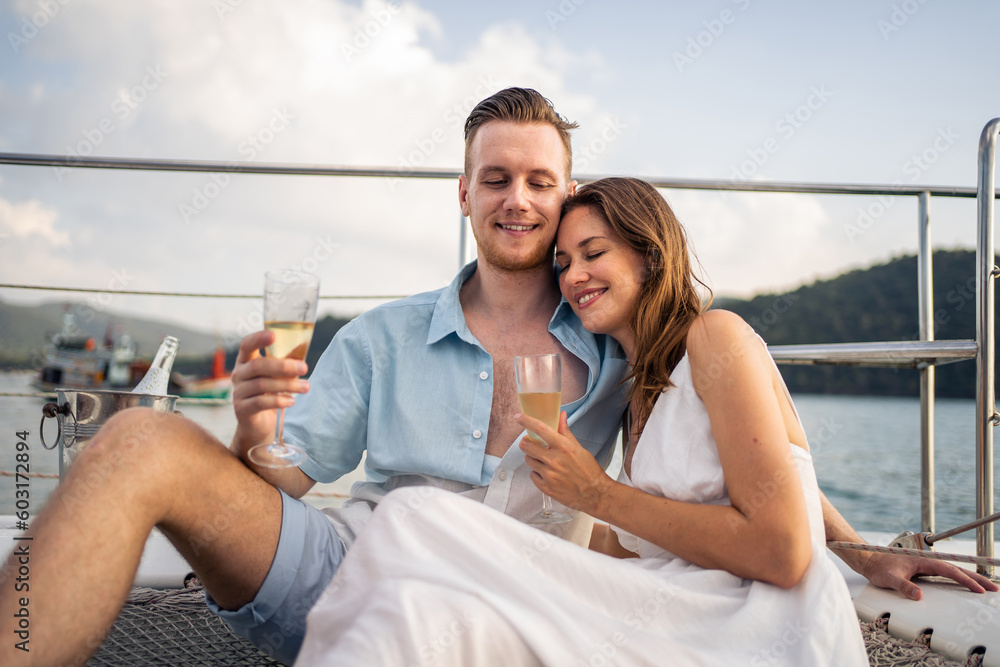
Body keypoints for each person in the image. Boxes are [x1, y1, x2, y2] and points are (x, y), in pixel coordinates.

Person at [0, 89, 993, 667]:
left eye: (541, 184)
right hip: (342, 557)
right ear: (464, 193)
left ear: (568, 198)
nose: (522, 206)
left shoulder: (622, 347)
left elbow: (752, 459)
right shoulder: (383, 335)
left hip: (516, 582)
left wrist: (857, 550)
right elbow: (285, 485)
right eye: (496, 178)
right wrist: (254, 438)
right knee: (136, 439)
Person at [287, 180, 852, 663]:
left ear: (650, 255)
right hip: (678, 595)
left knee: (414, 513)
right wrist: (860, 547)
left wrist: (596, 494)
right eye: (562, 263)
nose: (573, 276)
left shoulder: (714, 337)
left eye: (593, 253)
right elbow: (773, 472)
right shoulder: (638, 387)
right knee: (421, 596)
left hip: (744, 619)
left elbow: (782, 547)